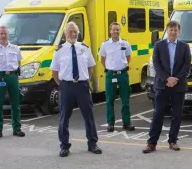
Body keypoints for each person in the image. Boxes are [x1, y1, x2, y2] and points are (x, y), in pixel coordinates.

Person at [50, 22, 102, 157]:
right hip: (66, 86)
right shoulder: (59, 50)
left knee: (88, 116)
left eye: (75, 32)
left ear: (78, 33)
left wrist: (86, 79)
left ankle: (92, 143)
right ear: (65, 34)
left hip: (82, 86)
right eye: (70, 32)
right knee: (64, 117)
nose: (73, 34)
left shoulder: (85, 48)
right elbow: (54, 72)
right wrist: (61, 85)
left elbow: (91, 66)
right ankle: (64, 146)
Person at [143, 20, 191, 153]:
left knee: (177, 114)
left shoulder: (184, 47)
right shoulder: (159, 45)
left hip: (178, 85)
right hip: (162, 85)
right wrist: (167, 78)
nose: (173, 32)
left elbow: (186, 65)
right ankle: (151, 143)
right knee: (158, 113)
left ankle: (173, 141)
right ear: (167, 31)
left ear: (178, 32)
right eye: (171, 30)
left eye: (175, 30)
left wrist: (176, 79)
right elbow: (156, 64)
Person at [0, 26, 25, 139]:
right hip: (0, 76)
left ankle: (17, 129)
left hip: (13, 76)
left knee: (15, 103)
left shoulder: (15, 48)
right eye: (1, 33)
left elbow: (19, 62)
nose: (3, 36)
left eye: (5, 33)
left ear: (8, 34)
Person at [99, 22, 135, 132]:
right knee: (110, 100)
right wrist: (110, 68)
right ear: (110, 31)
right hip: (111, 75)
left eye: (118, 29)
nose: (116, 31)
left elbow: (128, 57)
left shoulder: (125, 43)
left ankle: (126, 123)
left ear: (120, 31)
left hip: (123, 74)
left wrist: (123, 66)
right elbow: (102, 59)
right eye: (114, 29)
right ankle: (110, 123)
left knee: (125, 99)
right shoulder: (105, 44)